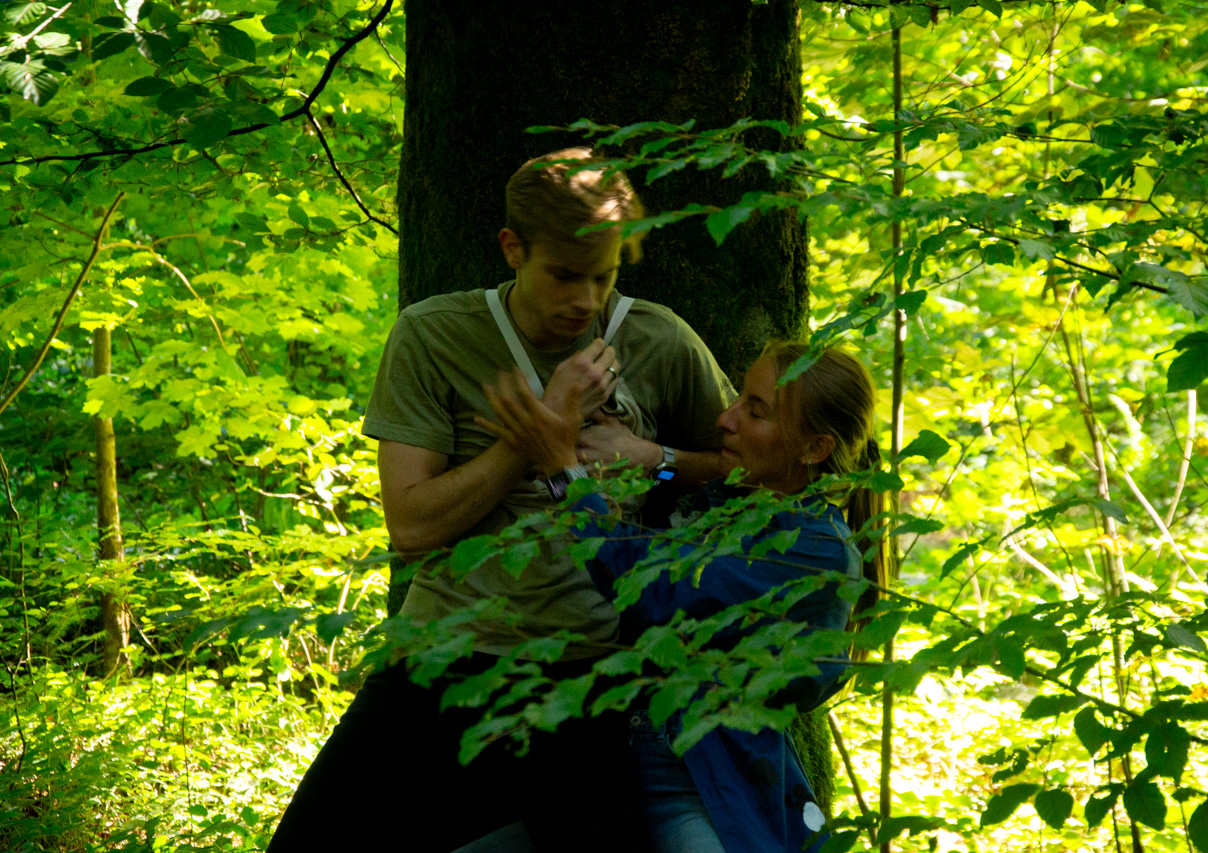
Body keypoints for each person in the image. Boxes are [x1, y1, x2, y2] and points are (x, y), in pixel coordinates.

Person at [266, 149, 734, 852]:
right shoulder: (435, 334)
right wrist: (535, 435)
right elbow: (411, 526)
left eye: (604, 276)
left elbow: (746, 473)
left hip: (591, 672)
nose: (586, 300)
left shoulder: (658, 339)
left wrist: (658, 461)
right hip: (441, 654)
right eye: (565, 275)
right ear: (513, 249)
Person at [481, 340, 887, 853]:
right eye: (738, 399)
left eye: (755, 411)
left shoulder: (814, 550)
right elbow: (693, 476)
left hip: (699, 785)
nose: (725, 418)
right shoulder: (746, 501)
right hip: (609, 766)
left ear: (814, 449)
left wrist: (564, 470)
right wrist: (655, 462)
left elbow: (651, 588)